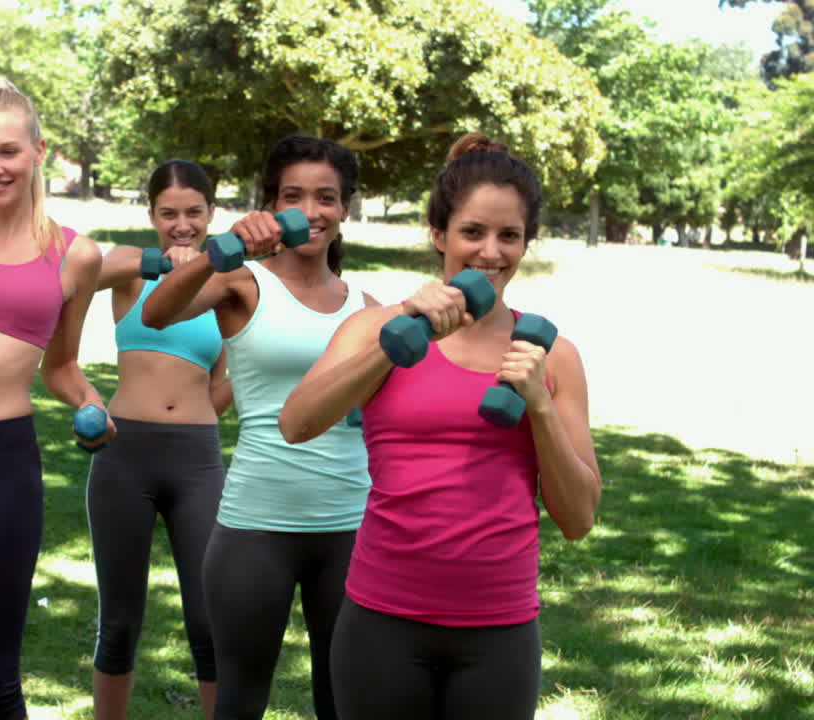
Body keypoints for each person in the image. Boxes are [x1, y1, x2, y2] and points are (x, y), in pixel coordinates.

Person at [279, 133, 602, 720]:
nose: (491, 252)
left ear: (527, 243)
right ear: (439, 234)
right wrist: (401, 337)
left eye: (510, 236)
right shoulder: (376, 327)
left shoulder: (552, 356)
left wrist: (541, 407)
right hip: (382, 620)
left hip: (499, 628)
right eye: (472, 232)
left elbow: (578, 519)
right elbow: (297, 423)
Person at [142, 136, 376, 720]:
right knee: (240, 700)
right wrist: (218, 254)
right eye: (293, 195)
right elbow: (157, 313)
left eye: (327, 197)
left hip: (350, 527)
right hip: (256, 527)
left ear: (345, 207)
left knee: (344, 700)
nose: (312, 211)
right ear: (270, 205)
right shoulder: (243, 283)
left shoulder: (368, 307)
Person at [0, 76, 112, 720]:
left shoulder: (75, 256)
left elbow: (61, 366)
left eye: (8, 151)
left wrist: (92, 404)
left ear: (39, 150)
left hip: (3, 461)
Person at [88, 159, 232, 720]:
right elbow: (78, 276)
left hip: (197, 460)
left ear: (210, 213)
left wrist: (195, 414)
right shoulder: (128, 271)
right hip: (125, 455)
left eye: (193, 212)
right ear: (151, 215)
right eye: (168, 213)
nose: (182, 224)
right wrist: (159, 263)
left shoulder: (225, 282)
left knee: (208, 620)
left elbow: (225, 384)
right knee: (120, 620)